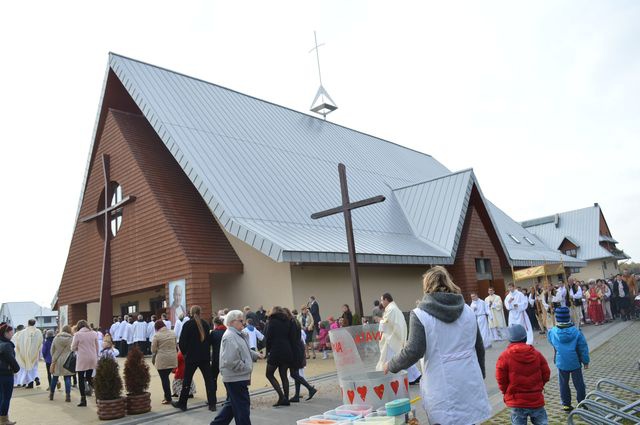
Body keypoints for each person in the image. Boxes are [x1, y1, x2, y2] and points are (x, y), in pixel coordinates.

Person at [384, 266, 491, 425]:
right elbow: (479, 347)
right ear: (449, 282)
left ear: (427, 286)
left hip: (441, 385)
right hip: (469, 380)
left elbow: (414, 350)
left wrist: (391, 364)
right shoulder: (467, 310)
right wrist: (480, 374)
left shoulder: (420, 314)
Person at [210, 310, 262, 425]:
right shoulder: (230, 336)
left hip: (237, 377)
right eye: (241, 321)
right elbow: (230, 360)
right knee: (242, 409)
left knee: (232, 407)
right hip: (236, 378)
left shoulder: (237, 334)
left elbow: (244, 350)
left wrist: (255, 355)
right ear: (233, 322)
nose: (243, 323)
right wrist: (246, 367)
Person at [496, 324, 550, 425]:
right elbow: (546, 374)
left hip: (516, 401)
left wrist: (506, 392)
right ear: (525, 338)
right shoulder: (536, 354)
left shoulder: (504, 356)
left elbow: (501, 379)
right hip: (536, 399)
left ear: (510, 340)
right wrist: (539, 386)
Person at [172, 306, 215, 412]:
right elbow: (209, 340)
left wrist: (186, 353)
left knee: (187, 381)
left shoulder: (187, 324)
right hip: (204, 356)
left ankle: (183, 404)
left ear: (190, 313)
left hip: (191, 357)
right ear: (200, 312)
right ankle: (212, 404)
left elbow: (182, 342)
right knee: (209, 381)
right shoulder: (205, 324)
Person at [547, 307, 590, 412]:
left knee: (563, 383)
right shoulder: (576, 331)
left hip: (561, 361)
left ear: (557, 318)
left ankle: (566, 404)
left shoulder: (552, 332)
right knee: (579, 383)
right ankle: (582, 403)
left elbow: (551, 342)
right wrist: (585, 361)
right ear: (568, 317)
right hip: (575, 361)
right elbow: (582, 347)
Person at [377, 293, 422, 384]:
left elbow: (386, 322)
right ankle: (414, 376)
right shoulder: (393, 308)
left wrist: (380, 321)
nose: (381, 302)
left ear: (386, 299)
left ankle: (392, 379)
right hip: (394, 336)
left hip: (392, 338)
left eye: (382, 300)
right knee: (402, 357)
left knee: (394, 358)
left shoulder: (391, 309)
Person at [264, 306, 297, 406]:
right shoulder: (288, 321)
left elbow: (268, 338)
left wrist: (268, 351)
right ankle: (286, 398)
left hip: (276, 350)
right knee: (283, 375)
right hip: (287, 350)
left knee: (269, 374)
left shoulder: (272, 321)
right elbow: (292, 337)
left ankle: (281, 397)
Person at [285, 309, 317, 403]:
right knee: (296, 373)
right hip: (298, 349)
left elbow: (291, 338)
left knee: (294, 374)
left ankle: (310, 388)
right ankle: (297, 395)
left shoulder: (291, 323)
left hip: (295, 350)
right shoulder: (295, 322)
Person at [71, 320, 99, 407]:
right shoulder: (93, 333)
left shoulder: (77, 334)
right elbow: (97, 346)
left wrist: (77, 348)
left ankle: (83, 399)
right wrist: (96, 356)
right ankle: (99, 394)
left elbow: (72, 347)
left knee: (80, 378)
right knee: (89, 377)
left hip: (82, 358)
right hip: (92, 357)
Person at [151, 319, 178, 405]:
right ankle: (168, 396)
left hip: (162, 360)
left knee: (164, 379)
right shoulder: (172, 333)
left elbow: (153, 349)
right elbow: (175, 345)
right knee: (166, 377)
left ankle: (168, 398)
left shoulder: (157, 336)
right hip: (173, 358)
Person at [13, 319, 43, 388]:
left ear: (28, 323)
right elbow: (40, 342)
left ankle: (30, 382)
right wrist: (38, 352)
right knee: (34, 368)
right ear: (35, 323)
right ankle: (35, 378)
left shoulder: (23, 332)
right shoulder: (38, 332)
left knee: (27, 369)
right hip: (35, 354)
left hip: (26, 354)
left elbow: (19, 343)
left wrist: (20, 352)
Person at [0, 324, 20, 425]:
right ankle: (4, 419)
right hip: (6, 374)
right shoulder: (7, 345)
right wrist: (17, 369)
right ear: (6, 333)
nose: (12, 334)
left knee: (1, 397)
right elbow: (11, 360)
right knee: (6, 398)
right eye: (11, 332)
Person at [49, 325, 74, 402]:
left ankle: (51, 394)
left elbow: (52, 349)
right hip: (68, 360)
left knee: (55, 377)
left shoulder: (56, 338)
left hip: (57, 360)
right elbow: (73, 349)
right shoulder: (72, 338)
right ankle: (68, 395)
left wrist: (53, 357)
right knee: (67, 378)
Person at [210, 317, 226, 409]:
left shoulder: (214, 333)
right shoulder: (227, 332)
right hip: (225, 360)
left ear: (215, 324)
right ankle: (229, 399)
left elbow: (209, 345)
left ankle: (213, 401)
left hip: (216, 359)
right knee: (227, 380)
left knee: (213, 379)